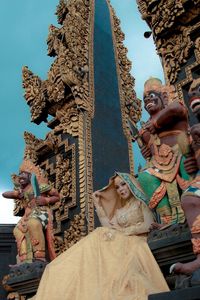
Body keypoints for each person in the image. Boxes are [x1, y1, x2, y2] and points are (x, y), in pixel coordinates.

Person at [32, 172, 169, 300]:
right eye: (117, 187)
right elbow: (109, 227)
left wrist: (126, 231)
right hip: (120, 242)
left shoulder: (140, 203)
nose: (121, 189)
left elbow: (148, 224)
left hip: (137, 242)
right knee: (98, 236)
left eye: (123, 184)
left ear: (131, 183)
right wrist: (97, 204)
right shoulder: (120, 210)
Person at [137, 77, 191, 227]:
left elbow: (176, 109)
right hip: (159, 164)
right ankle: (167, 220)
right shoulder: (145, 128)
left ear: (164, 96)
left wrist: (156, 122)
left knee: (188, 160)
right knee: (144, 177)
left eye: (152, 95)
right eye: (145, 98)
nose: (148, 99)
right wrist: (147, 149)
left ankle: (193, 212)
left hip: (181, 154)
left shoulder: (175, 108)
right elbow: (151, 149)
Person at [2, 159, 60, 263]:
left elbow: (57, 196)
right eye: (20, 174)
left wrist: (46, 200)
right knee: (17, 230)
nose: (21, 177)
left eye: (24, 174)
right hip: (27, 216)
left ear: (30, 176)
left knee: (33, 223)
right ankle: (25, 260)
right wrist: (16, 194)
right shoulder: (21, 192)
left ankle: (40, 256)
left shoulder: (41, 187)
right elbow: (5, 194)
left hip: (42, 213)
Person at [172, 78, 200, 274]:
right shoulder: (190, 133)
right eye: (191, 95)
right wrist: (192, 162)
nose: (194, 97)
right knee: (190, 197)